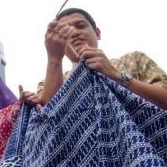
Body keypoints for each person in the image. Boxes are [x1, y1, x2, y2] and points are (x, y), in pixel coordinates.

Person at [33, 7, 167, 108]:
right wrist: (54, 58)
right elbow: (46, 119)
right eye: (65, 31)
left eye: (80, 26)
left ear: (97, 33)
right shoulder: (48, 82)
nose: (74, 32)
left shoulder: (135, 60)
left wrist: (117, 75)